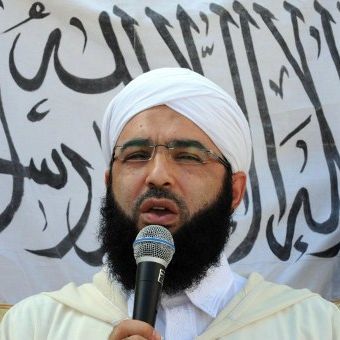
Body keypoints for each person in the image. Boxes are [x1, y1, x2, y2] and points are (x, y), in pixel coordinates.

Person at [0, 68, 339, 340]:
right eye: (136, 156)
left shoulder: (313, 327)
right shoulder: (33, 327)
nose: (158, 175)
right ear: (108, 183)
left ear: (234, 191)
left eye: (188, 156)